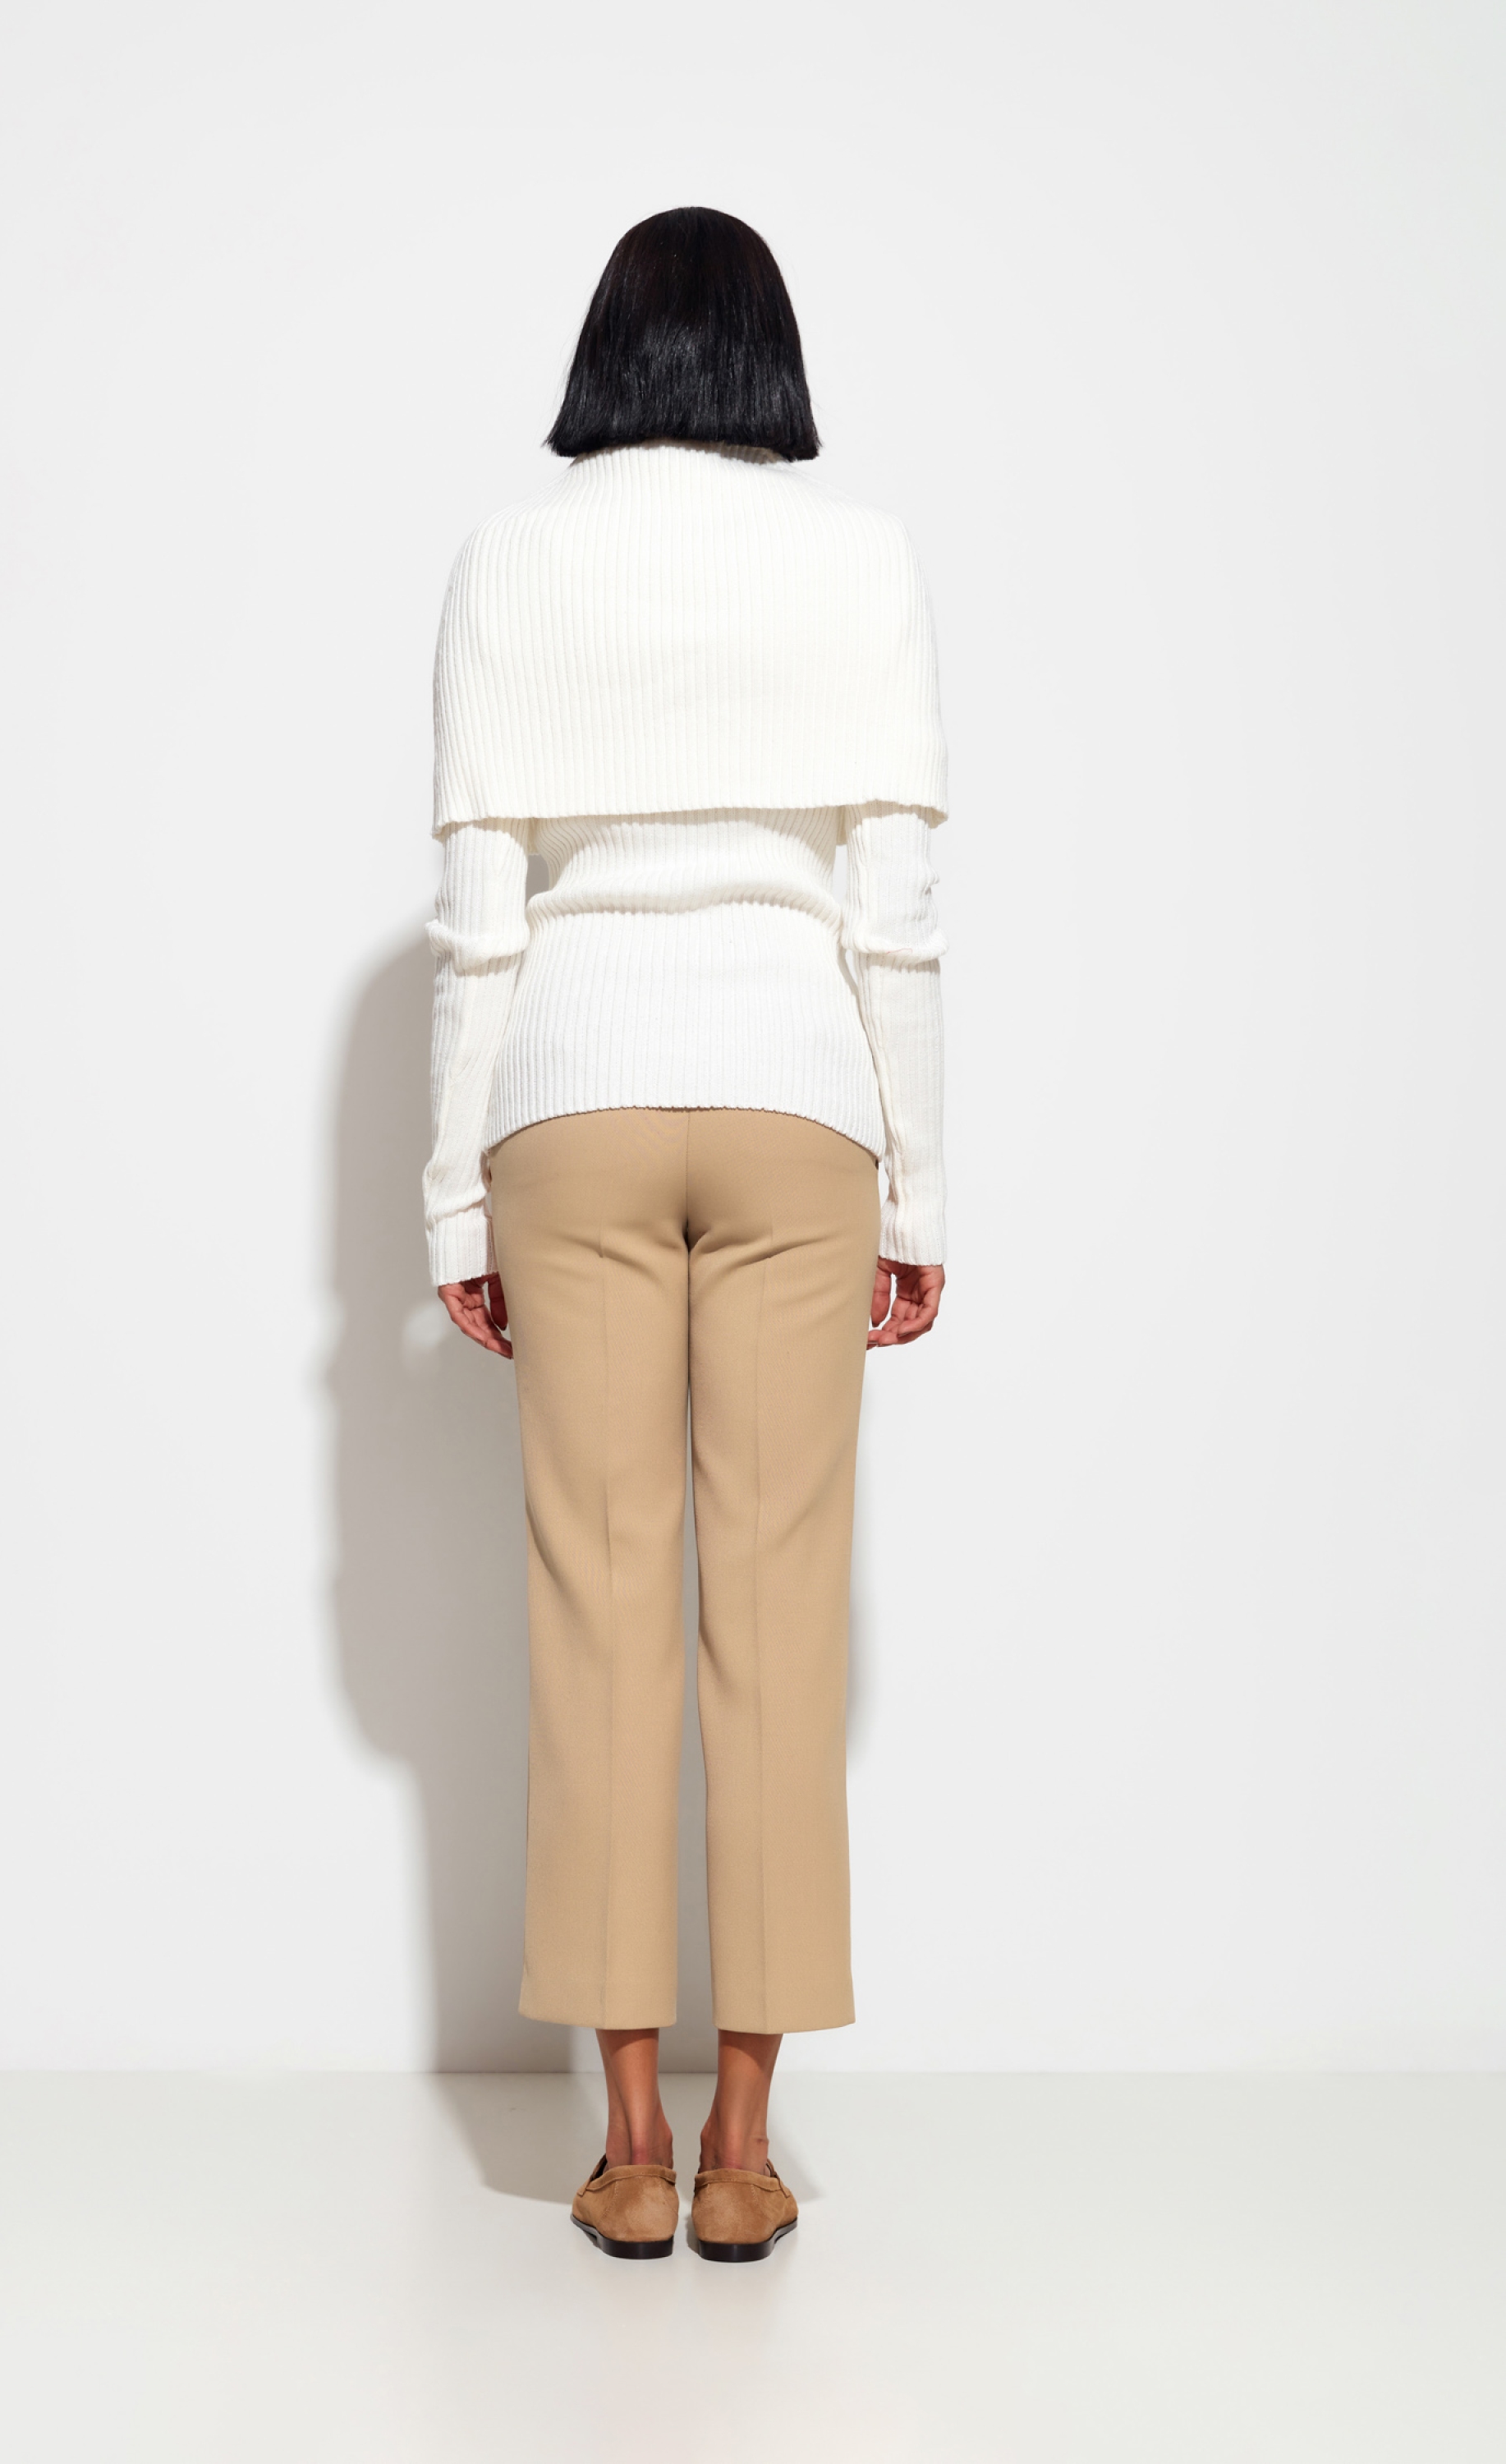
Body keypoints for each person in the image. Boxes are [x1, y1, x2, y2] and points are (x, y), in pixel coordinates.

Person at [422, 206, 947, 2263]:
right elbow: (893, 916)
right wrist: (919, 1187)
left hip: (567, 1094)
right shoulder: (863, 561)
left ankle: (624, 2141)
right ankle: (746, 2147)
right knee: (779, 1619)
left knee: (600, 1605)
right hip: (799, 1098)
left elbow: (479, 917)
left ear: (606, 355)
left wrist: (451, 1195)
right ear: (767, 358)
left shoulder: (508, 562)